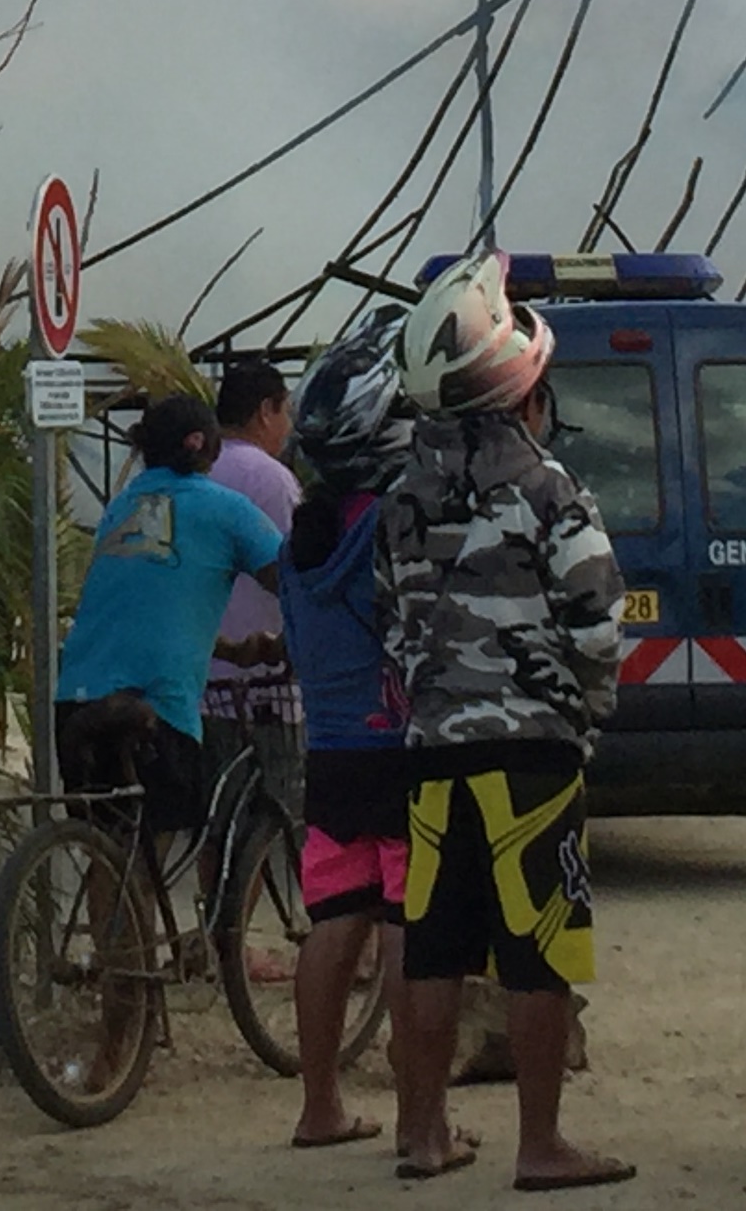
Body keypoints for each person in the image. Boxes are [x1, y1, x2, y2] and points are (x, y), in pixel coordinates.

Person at [381, 251, 631, 1191]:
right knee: (539, 948)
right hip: (533, 755)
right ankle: (540, 1145)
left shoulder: (400, 503)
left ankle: (423, 1132)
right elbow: (600, 626)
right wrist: (587, 711)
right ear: (523, 391)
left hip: (432, 752)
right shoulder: (549, 490)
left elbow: (390, 623)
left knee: (434, 945)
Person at [279, 308, 424, 1156]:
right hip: (399, 749)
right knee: (411, 926)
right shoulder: (390, 525)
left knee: (333, 924)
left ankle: (319, 1106)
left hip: (330, 754)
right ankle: (417, 1116)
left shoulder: (303, 538)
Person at [53, 391, 285, 833]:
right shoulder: (227, 508)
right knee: (151, 851)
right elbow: (293, 585)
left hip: (78, 698)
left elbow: (141, 610)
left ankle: (109, 901)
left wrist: (232, 651)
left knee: (109, 848)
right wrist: (291, 645)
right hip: (153, 703)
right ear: (202, 443)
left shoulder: (121, 509)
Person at [205, 357, 304, 797]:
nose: (287, 427)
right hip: (261, 688)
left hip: (201, 684)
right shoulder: (271, 479)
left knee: (216, 827)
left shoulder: (196, 472)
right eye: (285, 412)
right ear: (266, 410)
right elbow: (297, 576)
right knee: (269, 817)